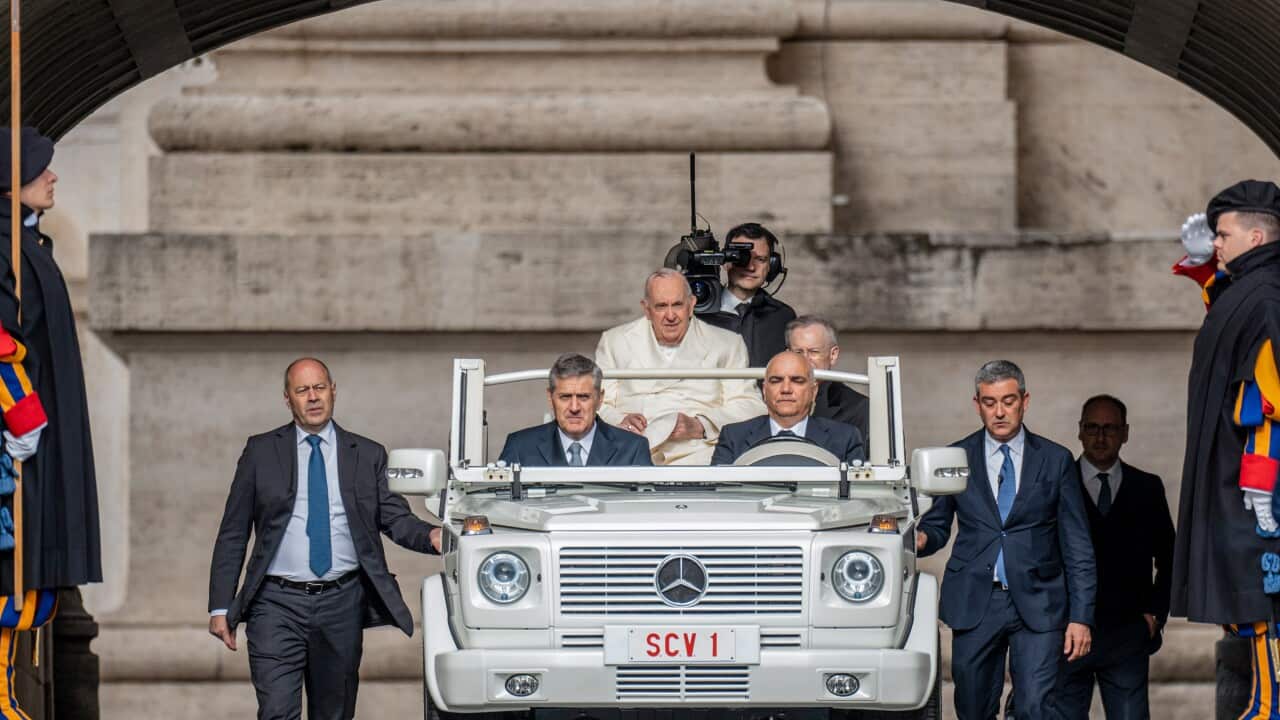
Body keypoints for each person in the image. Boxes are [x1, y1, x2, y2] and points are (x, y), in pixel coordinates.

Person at [208, 358, 442, 720]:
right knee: (276, 712)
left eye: (319, 388)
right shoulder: (260, 451)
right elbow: (234, 531)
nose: (313, 397)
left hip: (341, 603)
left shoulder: (367, 454)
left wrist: (433, 535)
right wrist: (221, 605)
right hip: (275, 603)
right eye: (302, 390)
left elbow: (395, 518)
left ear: (334, 391)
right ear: (288, 399)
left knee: (334, 713)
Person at [915, 360, 1095, 720]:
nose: (999, 412)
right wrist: (915, 538)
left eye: (1008, 401)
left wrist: (1081, 617)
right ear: (977, 404)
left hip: (1041, 602)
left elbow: (1078, 545)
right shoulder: (957, 457)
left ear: (1025, 401)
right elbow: (937, 527)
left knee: (1035, 707)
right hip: (975, 601)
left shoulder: (1056, 460)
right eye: (989, 402)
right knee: (972, 705)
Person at [0, 127, 101, 717]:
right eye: (39, 168)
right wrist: (24, 416)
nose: (52, 176)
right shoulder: (4, 248)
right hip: (18, 440)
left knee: (37, 569)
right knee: (13, 565)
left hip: (43, 435)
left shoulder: (30, 243)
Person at [1170, 179, 1280, 718]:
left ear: (1256, 236)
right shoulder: (1255, 289)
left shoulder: (1269, 296)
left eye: (1223, 234)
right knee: (1250, 600)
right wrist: (1204, 270)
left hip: (1258, 485)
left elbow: (1268, 397)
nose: (1216, 241)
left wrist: (1262, 476)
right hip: (1239, 482)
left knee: (1267, 601)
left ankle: (1271, 707)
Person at [1057, 394, 1174, 719]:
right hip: (1067, 633)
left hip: (1127, 634)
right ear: (1079, 431)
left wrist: (1155, 614)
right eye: (1092, 427)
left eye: (1109, 428)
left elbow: (1169, 556)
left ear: (1125, 433)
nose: (1100, 436)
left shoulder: (1147, 487)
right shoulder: (1057, 485)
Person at [595, 269, 765, 465]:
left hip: (700, 453)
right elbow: (598, 403)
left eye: (677, 305)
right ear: (646, 309)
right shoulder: (615, 341)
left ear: (691, 305)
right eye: (661, 306)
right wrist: (620, 421)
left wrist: (701, 425)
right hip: (631, 449)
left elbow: (750, 406)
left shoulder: (727, 343)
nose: (670, 315)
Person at [499, 352, 652, 467]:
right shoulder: (520, 447)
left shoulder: (633, 448)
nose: (574, 408)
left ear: (600, 399)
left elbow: (646, 507)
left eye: (583, 397)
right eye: (565, 397)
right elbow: (501, 507)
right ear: (550, 398)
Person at [712, 351, 864, 465]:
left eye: (797, 380)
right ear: (765, 390)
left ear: (814, 391)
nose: (786, 389)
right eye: (776, 380)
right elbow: (719, 496)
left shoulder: (845, 438)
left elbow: (857, 497)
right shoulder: (733, 437)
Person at [696, 222, 796, 367]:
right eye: (742, 257)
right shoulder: (697, 312)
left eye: (760, 260)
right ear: (725, 261)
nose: (751, 267)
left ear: (772, 266)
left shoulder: (783, 316)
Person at [785, 315, 870, 442]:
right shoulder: (775, 400)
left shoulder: (858, 408)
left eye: (813, 352)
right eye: (798, 352)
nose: (805, 359)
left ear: (833, 355)